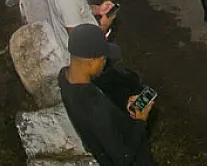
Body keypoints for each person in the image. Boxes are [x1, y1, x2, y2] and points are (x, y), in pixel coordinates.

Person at [58, 25, 159, 166]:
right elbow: (123, 158)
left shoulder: (64, 77)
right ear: (91, 61)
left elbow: (103, 125)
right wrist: (140, 121)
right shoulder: (95, 108)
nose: (105, 63)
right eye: (103, 59)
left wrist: (124, 108)